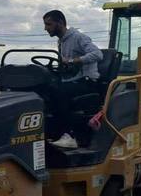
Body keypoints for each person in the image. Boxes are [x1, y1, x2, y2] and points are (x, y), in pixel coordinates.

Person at [43, 10, 103, 148]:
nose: (46, 28)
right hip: (71, 80)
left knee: (58, 92)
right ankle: (50, 133)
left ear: (60, 23)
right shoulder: (61, 41)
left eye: (49, 24)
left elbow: (98, 54)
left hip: (87, 81)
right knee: (44, 89)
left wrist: (75, 60)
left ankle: (70, 135)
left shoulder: (78, 37)